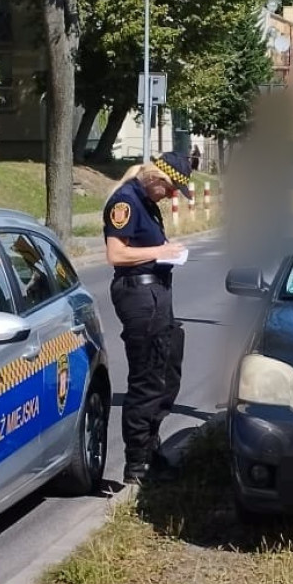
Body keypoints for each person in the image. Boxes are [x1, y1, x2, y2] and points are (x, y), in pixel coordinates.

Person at [102, 151, 193, 485]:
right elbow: (116, 253)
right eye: (170, 190)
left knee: (168, 370)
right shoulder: (125, 201)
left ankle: (152, 448)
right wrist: (160, 252)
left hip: (157, 292)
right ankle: (137, 463)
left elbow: (150, 243)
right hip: (138, 295)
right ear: (157, 178)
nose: (171, 198)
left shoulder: (148, 203)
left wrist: (170, 249)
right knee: (147, 377)